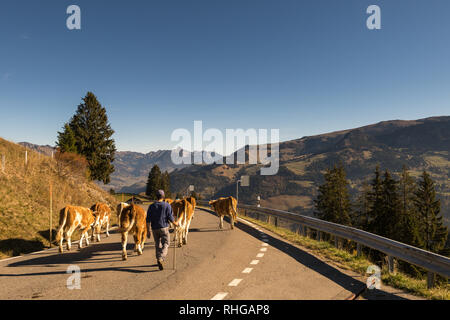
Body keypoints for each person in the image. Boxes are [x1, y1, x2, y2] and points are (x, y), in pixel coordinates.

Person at [146, 190, 178, 270]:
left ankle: (158, 259)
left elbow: (148, 220)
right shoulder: (167, 205)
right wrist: (175, 223)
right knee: (166, 243)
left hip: (154, 228)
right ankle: (161, 258)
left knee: (157, 244)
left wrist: (148, 231)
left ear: (156, 196)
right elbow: (170, 218)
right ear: (163, 197)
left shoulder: (151, 206)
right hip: (164, 227)